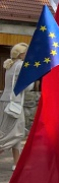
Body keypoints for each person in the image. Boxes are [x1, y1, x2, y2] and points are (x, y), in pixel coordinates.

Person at [0, 43, 31, 171]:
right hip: (15, 104)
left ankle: (17, 163)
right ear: (22, 54)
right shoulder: (20, 66)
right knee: (12, 134)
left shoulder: (10, 65)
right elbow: (28, 87)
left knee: (14, 133)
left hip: (6, 102)